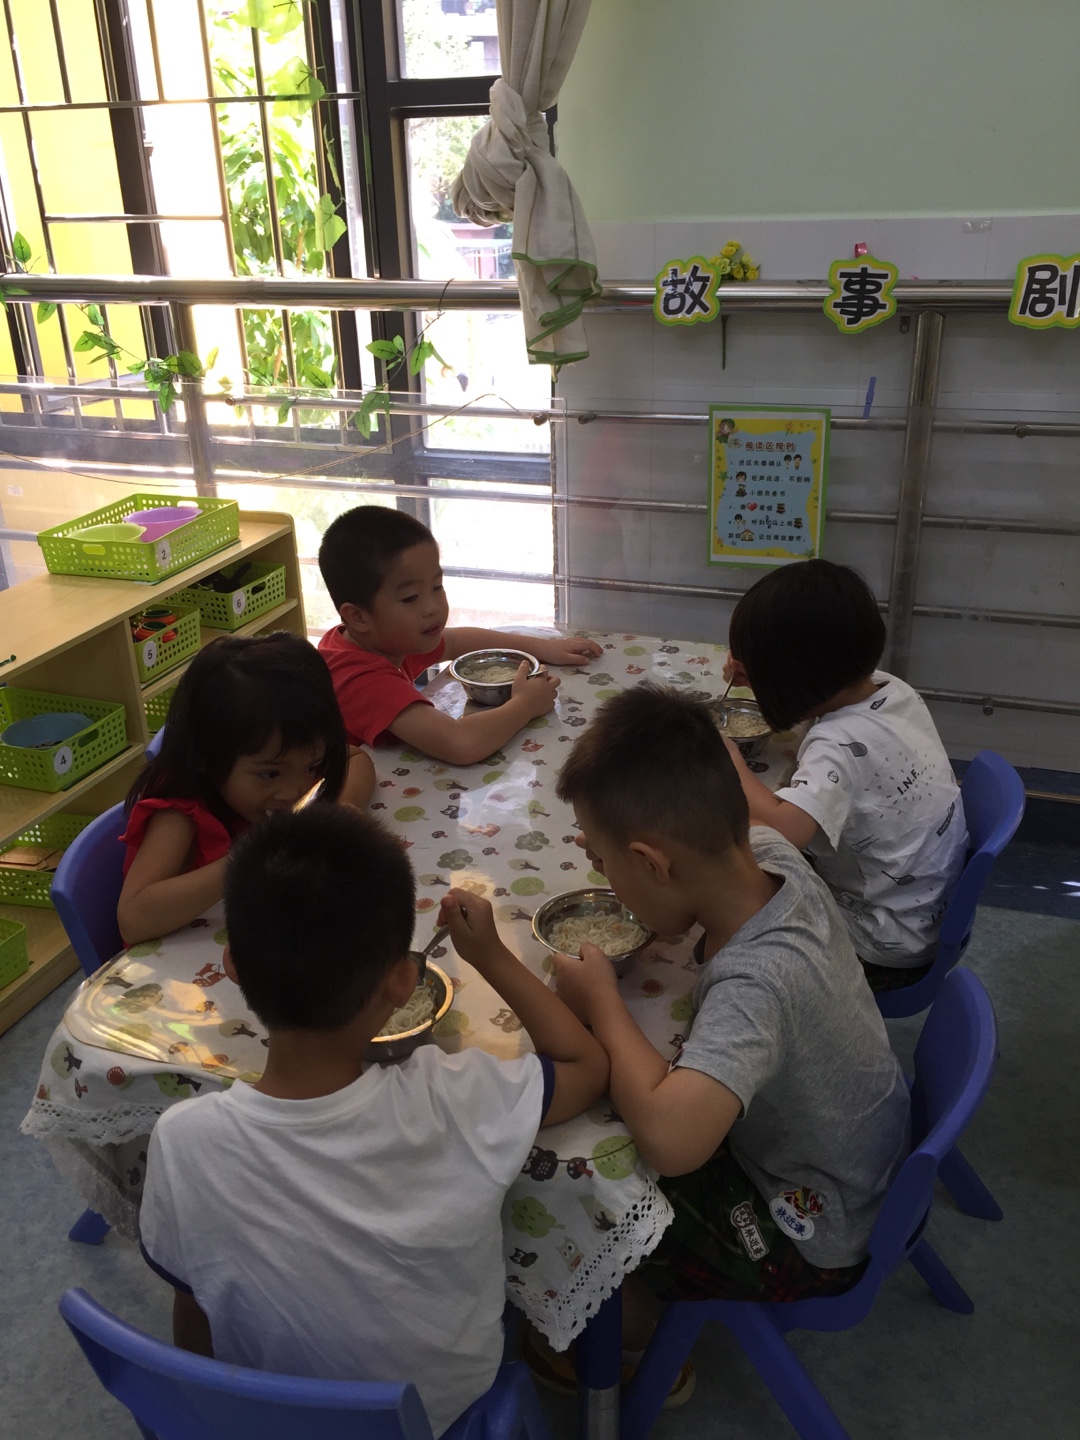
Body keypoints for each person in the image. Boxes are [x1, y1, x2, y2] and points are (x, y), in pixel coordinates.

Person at [139, 806, 607, 1438]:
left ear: (233, 967)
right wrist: (491, 955)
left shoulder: (181, 1139)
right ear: (401, 983)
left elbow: (193, 1309)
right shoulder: (452, 1098)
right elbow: (585, 1066)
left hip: (270, 1423)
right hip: (438, 1417)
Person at [542, 684, 908, 1381]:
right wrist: (632, 868)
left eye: (609, 866)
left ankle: (637, 1337)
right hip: (862, 1159)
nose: (603, 874)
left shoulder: (758, 984)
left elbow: (673, 1143)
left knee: (589, 1183)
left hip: (812, 1226)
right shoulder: (769, 851)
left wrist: (602, 999)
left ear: (654, 864)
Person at [721, 558, 968, 990]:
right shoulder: (891, 688)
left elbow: (785, 829)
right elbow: (818, 701)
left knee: (733, 896)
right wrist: (763, 675)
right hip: (925, 912)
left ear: (794, 679)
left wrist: (727, 758)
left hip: (883, 940)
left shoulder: (837, 747)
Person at [118, 632, 367, 946]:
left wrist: (341, 812)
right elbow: (133, 920)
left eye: (312, 766)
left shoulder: (281, 761)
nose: (294, 791)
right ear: (208, 756)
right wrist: (253, 856)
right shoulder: (178, 814)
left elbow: (356, 759)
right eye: (270, 774)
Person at [317, 506, 602, 762]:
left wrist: (543, 647)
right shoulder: (359, 678)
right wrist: (526, 704)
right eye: (410, 597)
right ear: (358, 616)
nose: (432, 607)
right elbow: (461, 744)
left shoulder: (378, 638)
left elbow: (454, 641)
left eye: (437, 587)